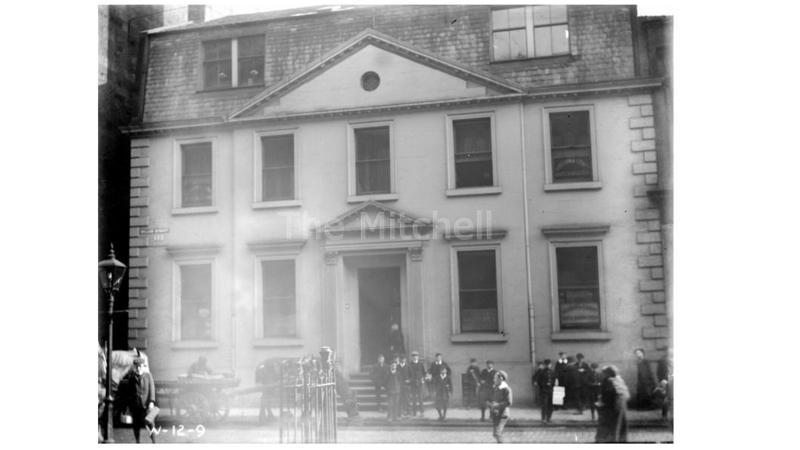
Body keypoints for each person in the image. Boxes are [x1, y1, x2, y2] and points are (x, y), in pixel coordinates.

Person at [119, 357, 157, 444]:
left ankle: (154, 442)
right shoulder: (132, 378)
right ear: (134, 367)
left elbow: (152, 389)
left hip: (147, 406)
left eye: (140, 366)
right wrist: (128, 407)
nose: (138, 368)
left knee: (151, 424)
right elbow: (129, 393)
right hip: (136, 406)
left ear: (143, 367)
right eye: (136, 367)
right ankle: (137, 443)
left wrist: (151, 401)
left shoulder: (148, 376)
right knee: (136, 426)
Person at [595, 365, 630, 443]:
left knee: (612, 424)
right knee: (620, 424)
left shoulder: (610, 381)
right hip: (620, 405)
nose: (603, 375)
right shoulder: (618, 380)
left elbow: (608, 395)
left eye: (604, 373)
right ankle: (621, 440)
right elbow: (626, 395)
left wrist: (601, 402)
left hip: (614, 406)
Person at [489, 370, 513, 443]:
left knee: (496, 434)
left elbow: (509, 402)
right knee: (499, 434)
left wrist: (497, 405)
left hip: (502, 414)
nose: (494, 379)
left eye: (495, 378)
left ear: (501, 378)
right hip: (496, 414)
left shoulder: (506, 389)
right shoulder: (497, 387)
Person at [534, 359, 555, 424]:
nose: (548, 366)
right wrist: (544, 386)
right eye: (547, 365)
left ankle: (549, 418)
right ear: (545, 365)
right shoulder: (542, 372)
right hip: (544, 391)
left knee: (550, 406)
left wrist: (552, 387)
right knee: (544, 405)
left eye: (549, 364)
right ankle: (543, 418)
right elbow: (539, 381)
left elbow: (553, 381)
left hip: (550, 391)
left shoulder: (552, 372)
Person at [656, 348, 674, 420]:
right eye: (670, 350)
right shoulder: (662, 360)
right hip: (667, 381)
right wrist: (661, 380)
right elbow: (659, 372)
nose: (671, 351)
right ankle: (664, 415)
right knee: (666, 398)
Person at [408, 351, 427, 416]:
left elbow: (424, 373)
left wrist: (423, 379)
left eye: (416, 356)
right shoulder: (409, 364)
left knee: (420, 398)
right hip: (413, 383)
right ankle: (414, 412)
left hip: (419, 383)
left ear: (418, 357)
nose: (415, 357)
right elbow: (408, 374)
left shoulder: (420, 364)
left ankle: (422, 412)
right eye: (413, 356)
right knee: (413, 398)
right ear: (412, 357)